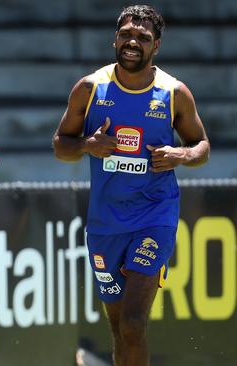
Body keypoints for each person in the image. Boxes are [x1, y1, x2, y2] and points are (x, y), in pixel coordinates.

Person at [53, 5, 210, 366]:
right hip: (106, 223)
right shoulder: (91, 89)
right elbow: (61, 145)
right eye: (126, 34)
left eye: (143, 37)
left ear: (155, 47)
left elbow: (201, 145)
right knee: (119, 325)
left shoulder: (174, 93)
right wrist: (87, 146)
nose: (132, 42)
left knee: (134, 322)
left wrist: (180, 156)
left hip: (154, 215)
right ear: (115, 39)